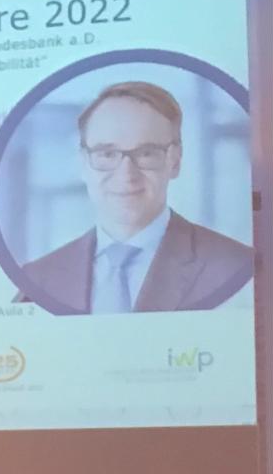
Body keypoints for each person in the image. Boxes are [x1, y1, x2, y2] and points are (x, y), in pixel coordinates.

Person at [17, 80, 253, 313]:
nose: (126, 175)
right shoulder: (37, 279)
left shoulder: (236, 267)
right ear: (83, 163)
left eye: (146, 153)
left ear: (175, 161)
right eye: (107, 154)